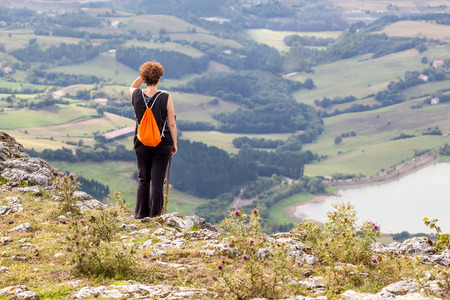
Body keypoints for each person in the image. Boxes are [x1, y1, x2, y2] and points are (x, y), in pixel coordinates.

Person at [129, 61, 177, 219]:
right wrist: (174, 143)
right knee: (157, 180)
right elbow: (171, 123)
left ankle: (140, 215)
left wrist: (143, 77)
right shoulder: (165, 97)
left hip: (141, 143)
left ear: (144, 77)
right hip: (162, 143)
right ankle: (155, 216)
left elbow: (132, 86)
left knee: (143, 178)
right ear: (159, 78)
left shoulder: (136, 94)